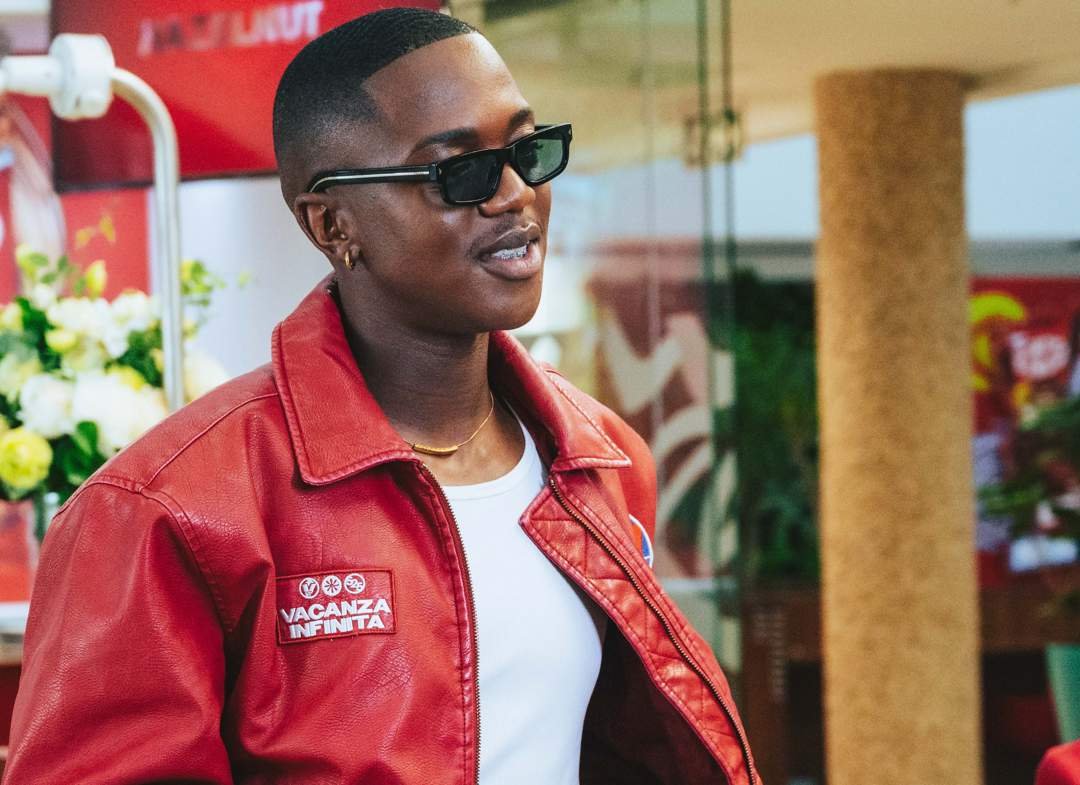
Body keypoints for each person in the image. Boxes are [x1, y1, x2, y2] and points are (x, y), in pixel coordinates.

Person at [3, 9, 755, 784]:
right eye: (460, 172)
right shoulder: (168, 509)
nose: (514, 194)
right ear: (333, 224)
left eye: (527, 151)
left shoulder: (599, 460)